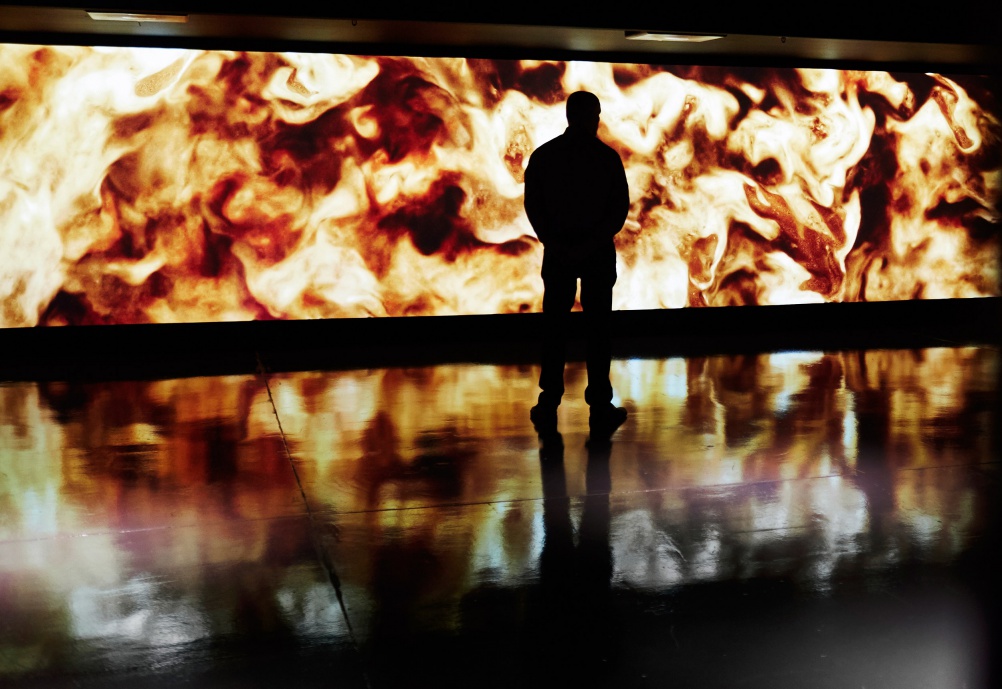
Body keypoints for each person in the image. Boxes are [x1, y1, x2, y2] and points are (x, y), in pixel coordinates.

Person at [523, 91, 630, 434]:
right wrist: (589, 243)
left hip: (558, 253)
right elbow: (618, 211)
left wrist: (556, 243)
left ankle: (548, 400)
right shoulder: (606, 159)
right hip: (596, 253)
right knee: (599, 329)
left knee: (554, 327)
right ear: (593, 117)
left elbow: (534, 207)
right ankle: (600, 403)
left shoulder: (544, 157)